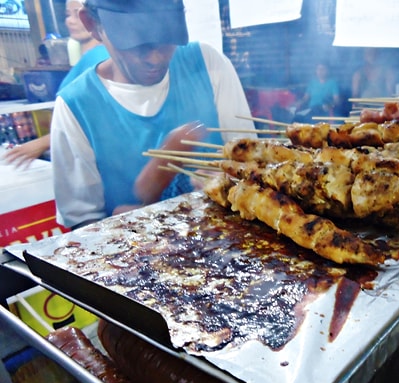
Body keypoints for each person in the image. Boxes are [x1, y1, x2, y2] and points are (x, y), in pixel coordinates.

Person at [50, 0, 255, 229]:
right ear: (92, 24)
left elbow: (254, 168)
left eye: (166, 38)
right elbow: (83, 228)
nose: (156, 58)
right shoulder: (75, 106)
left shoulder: (208, 64)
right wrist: (128, 228)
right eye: (135, 43)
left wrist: (231, 184)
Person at [2, 0, 108, 168]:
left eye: (79, 13)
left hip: (100, 159)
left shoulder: (100, 58)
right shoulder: (88, 59)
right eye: (68, 14)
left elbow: (101, 119)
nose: (71, 21)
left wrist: (41, 144)